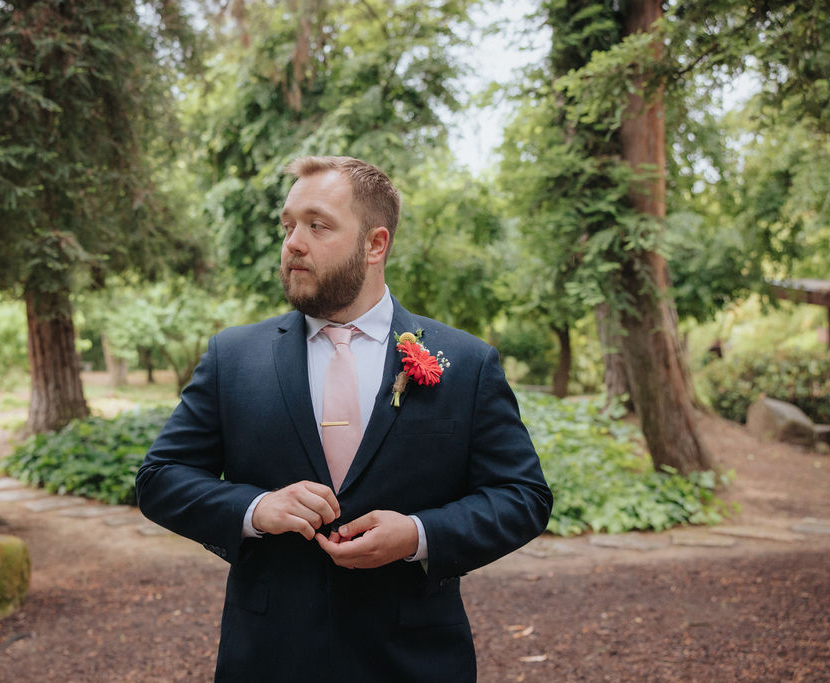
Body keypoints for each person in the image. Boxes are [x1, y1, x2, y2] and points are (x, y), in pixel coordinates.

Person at [136, 155, 552, 682]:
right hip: (269, 659)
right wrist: (256, 507)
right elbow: (158, 479)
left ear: (375, 244)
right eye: (288, 225)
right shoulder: (233, 358)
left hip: (412, 661)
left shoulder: (465, 363)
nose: (293, 243)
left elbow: (523, 496)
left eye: (318, 224)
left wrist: (420, 533)